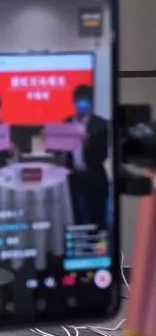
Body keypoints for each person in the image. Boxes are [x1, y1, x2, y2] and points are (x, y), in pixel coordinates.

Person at [63, 84, 110, 229]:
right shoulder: (66, 123)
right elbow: (60, 151)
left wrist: (88, 144)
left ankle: (98, 241)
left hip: (93, 177)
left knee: (97, 219)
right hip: (73, 177)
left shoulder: (100, 124)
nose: (82, 105)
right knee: (74, 217)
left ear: (91, 102)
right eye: (79, 101)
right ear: (74, 102)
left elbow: (103, 154)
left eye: (85, 101)